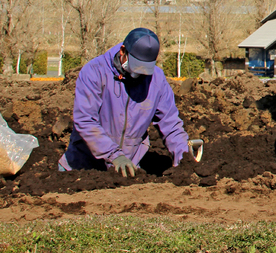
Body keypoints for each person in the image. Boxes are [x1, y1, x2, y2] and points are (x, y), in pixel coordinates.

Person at [58, 28, 192, 177]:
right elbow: (85, 120)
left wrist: (185, 159)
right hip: (82, 171)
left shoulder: (156, 80)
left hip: (126, 173)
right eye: (136, 67)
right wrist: (114, 155)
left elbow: (171, 124)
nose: (138, 74)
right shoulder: (94, 72)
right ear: (123, 52)